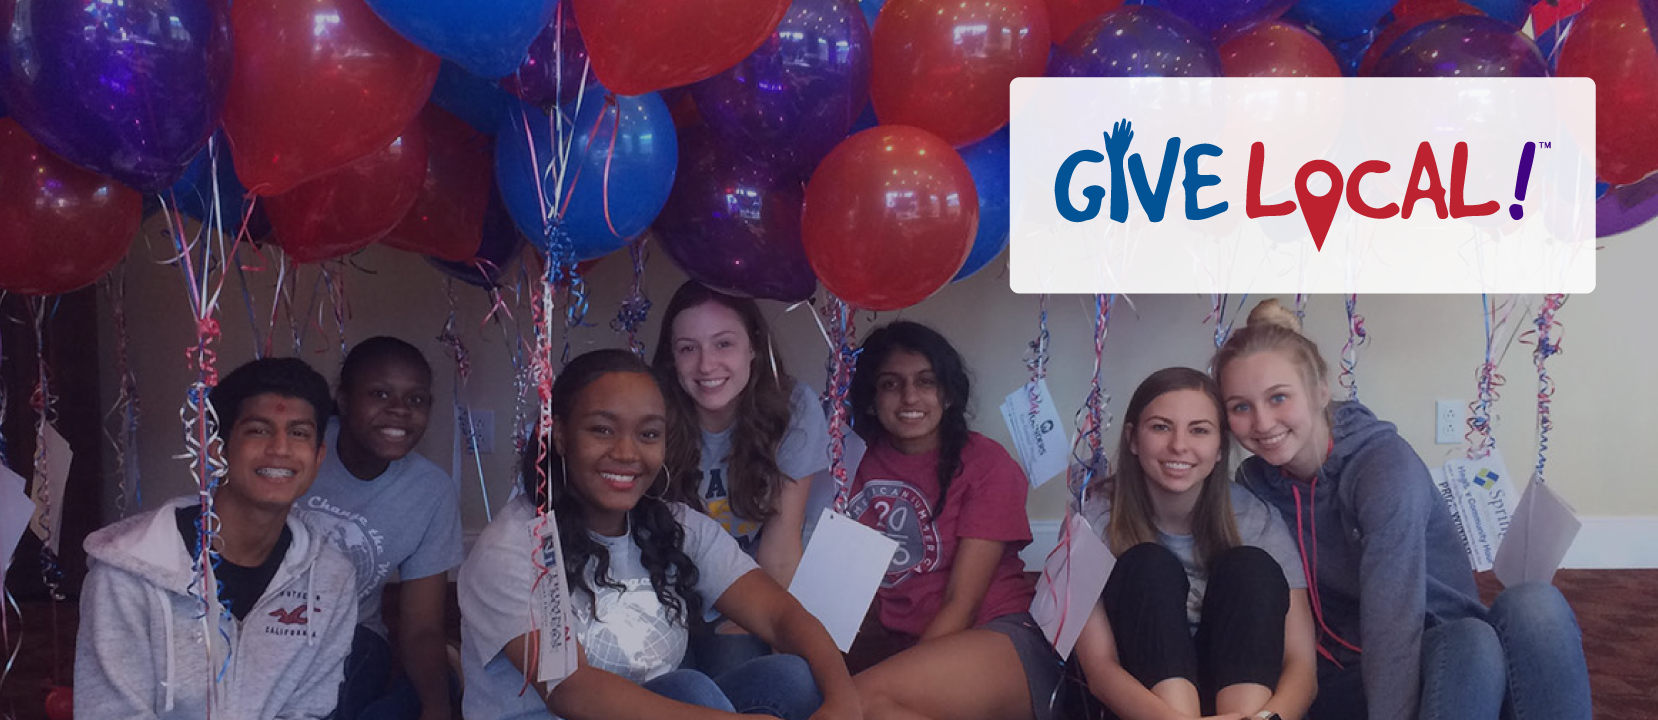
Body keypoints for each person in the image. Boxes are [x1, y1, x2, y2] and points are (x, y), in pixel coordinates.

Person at [1214, 299, 1592, 720]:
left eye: (1279, 397)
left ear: (1320, 391)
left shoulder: (1383, 466)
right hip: (1346, 676)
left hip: (1448, 659)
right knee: (1474, 640)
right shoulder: (1253, 486)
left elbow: (1392, 618)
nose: (1262, 422)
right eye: (1241, 407)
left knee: (1533, 607)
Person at [456, 348, 859, 720]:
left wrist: (844, 699)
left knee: (791, 678)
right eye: (602, 430)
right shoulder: (516, 547)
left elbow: (779, 615)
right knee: (688, 690)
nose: (627, 453)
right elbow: (571, 691)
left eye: (648, 434)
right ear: (559, 434)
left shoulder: (674, 524)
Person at [75, 357, 358, 719]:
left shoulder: (331, 580)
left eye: (299, 433)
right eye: (258, 430)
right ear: (217, 449)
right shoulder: (126, 574)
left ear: (318, 458)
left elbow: (307, 711)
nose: (281, 449)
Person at [1070, 367, 1317, 720]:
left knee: (1250, 567)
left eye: (1199, 430)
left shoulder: (1256, 520)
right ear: (1133, 439)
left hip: (1248, 708)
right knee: (1147, 566)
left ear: (1219, 448)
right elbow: (1099, 670)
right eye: (1161, 427)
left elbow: (1302, 667)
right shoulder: (1092, 519)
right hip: (1144, 707)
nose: (1179, 445)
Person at [841, 321, 1059, 720]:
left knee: (855, 704)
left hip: (1000, 636)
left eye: (926, 381)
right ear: (871, 397)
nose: (910, 396)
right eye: (890, 384)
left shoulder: (986, 463)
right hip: (913, 652)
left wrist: (903, 670)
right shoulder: (851, 460)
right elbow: (837, 589)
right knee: (876, 711)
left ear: (948, 393)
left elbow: (964, 603)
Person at [653, 281, 830, 674]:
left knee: (780, 682)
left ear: (753, 346)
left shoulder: (793, 408)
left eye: (723, 344)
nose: (706, 365)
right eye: (688, 348)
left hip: (748, 592)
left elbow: (781, 549)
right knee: (676, 691)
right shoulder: (651, 411)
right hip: (662, 596)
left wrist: (772, 629)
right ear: (671, 359)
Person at [301, 337, 463, 720]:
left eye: (416, 399)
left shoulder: (431, 491)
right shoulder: (300, 449)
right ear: (344, 400)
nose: (400, 410)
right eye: (379, 393)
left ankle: (447, 677)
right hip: (271, 628)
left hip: (356, 635)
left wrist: (437, 706)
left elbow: (421, 627)